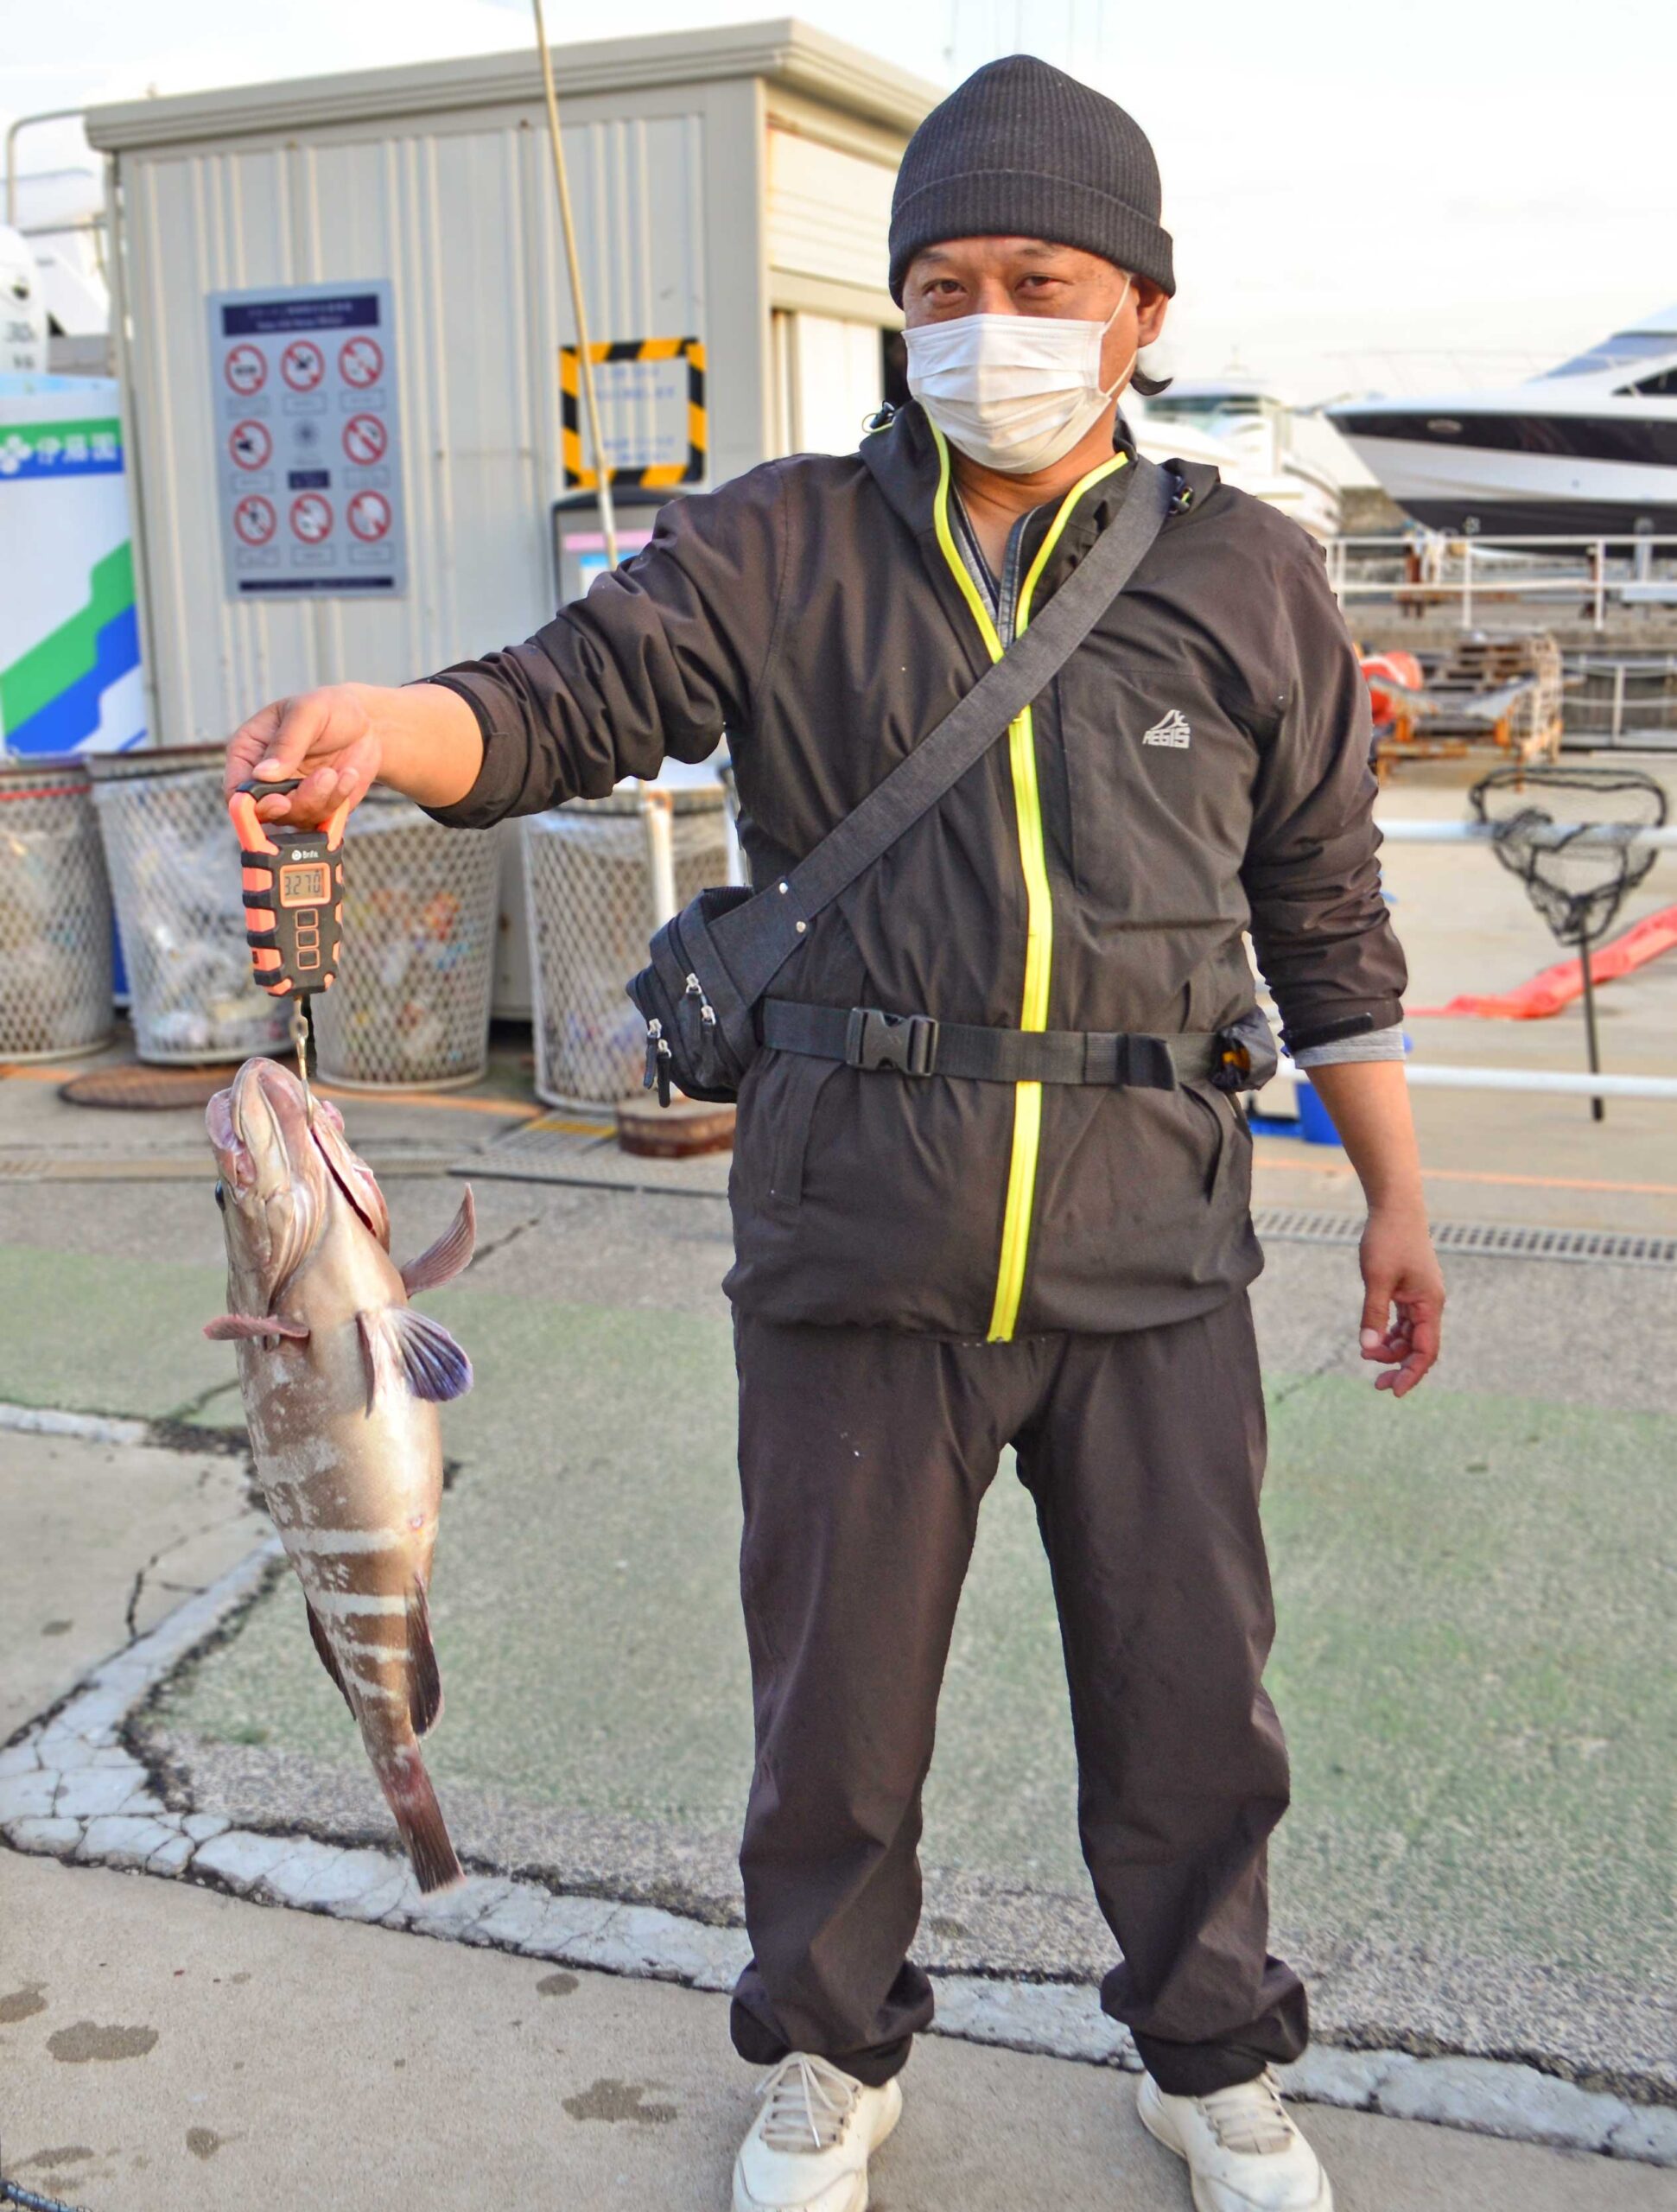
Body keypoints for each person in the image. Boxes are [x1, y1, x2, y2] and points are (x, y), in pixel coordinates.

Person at [226, 54, 1444, 2212]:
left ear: (1142, 308)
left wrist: (1395, 1198)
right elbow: (564, 698)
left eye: (1039, 280)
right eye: (943, 286)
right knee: (832, 1716)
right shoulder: (776, 541)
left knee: (1189, 1700)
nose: (989, 324)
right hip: (849, 1242)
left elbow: (1323, 914)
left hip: (1156, 1250)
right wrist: (391, 728)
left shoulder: (1248, 575)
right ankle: (822, 2043)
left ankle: (1208, 2054)